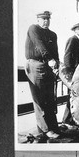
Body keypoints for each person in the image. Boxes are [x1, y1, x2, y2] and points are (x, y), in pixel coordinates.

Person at [25, 11, 61, 141]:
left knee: (50, 98)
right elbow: (39, 44)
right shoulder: (33, 29)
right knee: (39, 99)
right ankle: (46, 130)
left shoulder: (53, 35)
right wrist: (49, 58)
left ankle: (53, 127)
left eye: (47, 18)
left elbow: (55, 52)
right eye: (43, 18)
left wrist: (56, 64)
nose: (46, 21)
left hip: (48, 67)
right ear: (38, 19)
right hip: (35, 64)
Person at [61, 20, 79, 129]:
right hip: (73, 73)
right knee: (71, 96)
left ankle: (72, 120)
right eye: (78, 28)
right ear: (74, 30)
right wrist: (68, 72)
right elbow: (67, 56)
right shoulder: (73, 39)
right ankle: (66, 120)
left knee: (76, 97)